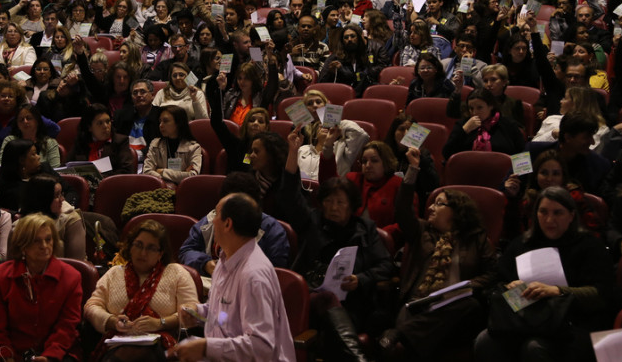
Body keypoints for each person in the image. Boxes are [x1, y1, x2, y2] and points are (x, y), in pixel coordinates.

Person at [277, 130, 394, 361]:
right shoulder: (312, 220)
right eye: (328, 201)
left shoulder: (365, 228)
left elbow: (385, 265)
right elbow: (288, 197)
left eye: (340, 202)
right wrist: (292, 152)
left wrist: (361, 279)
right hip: (310, 297)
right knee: (326, 298)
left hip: (351, 303)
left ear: (352, 206)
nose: (333, 207)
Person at [380, 148, 497, 360]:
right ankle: (408, 335)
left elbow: (492, 275)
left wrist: (467, 286)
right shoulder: (422, 231)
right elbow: (403, 210)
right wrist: (413, 170)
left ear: (457, 211)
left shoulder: (477, 238)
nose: (432, 207)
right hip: (420, 306)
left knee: (470, 305)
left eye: (440, 204)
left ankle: (400, 334)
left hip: (456, 314)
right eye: (432, 203)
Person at [474, 187, 613, 362]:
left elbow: (602, 295)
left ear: (571, 216)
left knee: (534, 348)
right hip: (524, 321)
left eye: (557, 213)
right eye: (543, 212)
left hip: (572, 324)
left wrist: (557, 291)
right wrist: (509, 288)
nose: (549, 219)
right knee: (484, 341)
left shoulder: (590, 247)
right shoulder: (521, 244)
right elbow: (493, 286)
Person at [168, 193, 296, 362]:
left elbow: (261, 346)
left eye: (216, 215)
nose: (212, 221)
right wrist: (199, 313)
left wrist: (206, 347)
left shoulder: (253, 275)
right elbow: (226, 316)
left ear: (228, 224)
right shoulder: (224, 260)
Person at [85, 219, 199, 361]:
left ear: (160, 253)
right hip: (118, 344)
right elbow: (91, 306)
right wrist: (112, 321)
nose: (143, 253)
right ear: (130, 247)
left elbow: (191, 311)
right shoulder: (114, 273)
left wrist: (160, 323)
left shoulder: (176, 273)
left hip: (161, 347)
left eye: (151, 248)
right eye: (138, 245)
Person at [0, 214, 83, 362]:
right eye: (36, 241)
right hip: (10, 354)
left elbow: (66, 328)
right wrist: (7, 357)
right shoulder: (3, 275)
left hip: (58, 353)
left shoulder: (71, 277)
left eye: (48, 239)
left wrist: (49, 357)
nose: (45, 246)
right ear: (23, 246)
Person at [179, 171, 289, 279]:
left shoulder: (272, 231)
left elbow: (276, 273)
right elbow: (186, 251)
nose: (215, 221)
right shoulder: (211, 219)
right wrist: (205, 264)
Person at [66, 104, 137, 194]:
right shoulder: (81, 142)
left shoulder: (120, 141)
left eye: (108, 121)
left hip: (111, 190)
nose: (106, 126)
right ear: (89, 127)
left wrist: (99, 177)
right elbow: (66, 167)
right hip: (83, 190)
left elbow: (126, 171)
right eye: (100, 123)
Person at [443, 88, 526, 157]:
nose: (474, 112)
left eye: (480, 108)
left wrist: (516, 176)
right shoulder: (463, 125)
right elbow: (447, 154)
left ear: (491, 106)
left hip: (502, 173)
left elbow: (522, 154)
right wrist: (464, 131)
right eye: (471, 108)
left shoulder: (508, 125)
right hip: (468, 172)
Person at [19, 175, 86, 260]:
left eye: (61, 194)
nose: (62, 199)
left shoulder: (71, 220)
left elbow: (77, 263)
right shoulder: (19, 226)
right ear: (43, 199)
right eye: (56, 196)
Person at [142, 105, 202, 187]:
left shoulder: (193, 147)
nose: (161, 125)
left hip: (183, 190)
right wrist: (181, 174)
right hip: (159, 189)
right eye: (160, 121)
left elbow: (192, 176)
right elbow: (146, 171)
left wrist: (161, 171)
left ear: (178, 123)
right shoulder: (155, 144)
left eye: (165, 121)